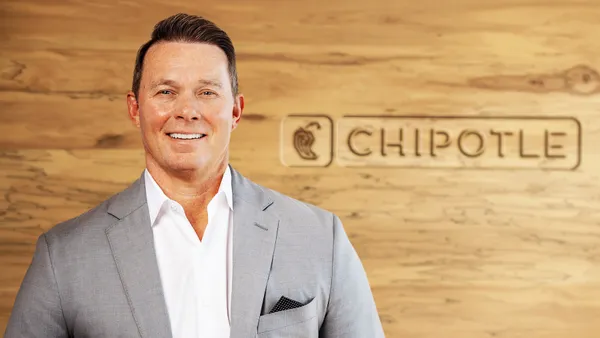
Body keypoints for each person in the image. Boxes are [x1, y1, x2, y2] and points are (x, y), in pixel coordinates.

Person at [4, 13, 385, 338]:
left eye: (206, 92)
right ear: (135, 109)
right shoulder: (64, 256)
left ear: (235, 111)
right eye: (166, 91)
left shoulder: (320, 237)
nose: (186, 111)